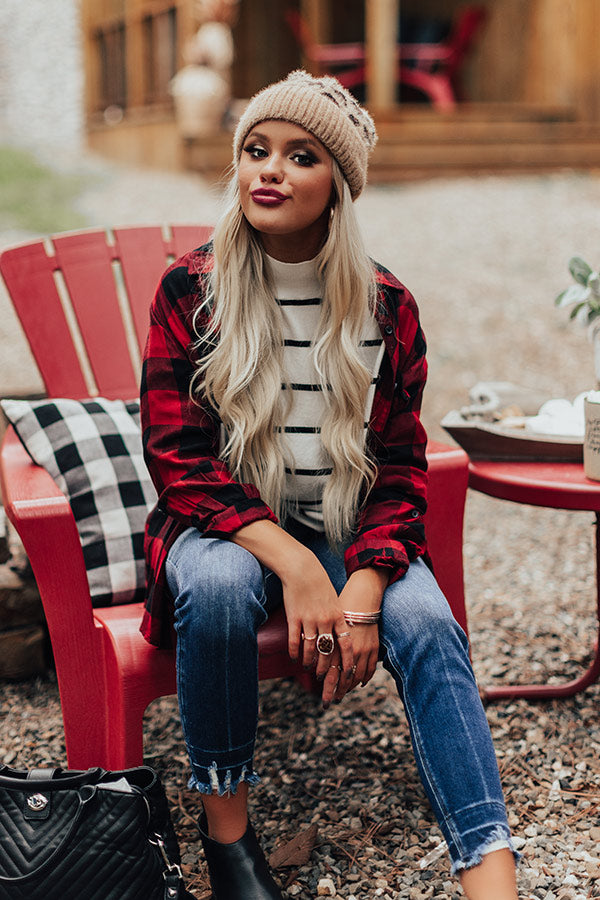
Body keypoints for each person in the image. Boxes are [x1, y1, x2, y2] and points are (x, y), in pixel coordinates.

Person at [140, 70, 519, 900]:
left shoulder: (386, 307)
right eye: (256, 150)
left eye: (300, 156)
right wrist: (301, 570)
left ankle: (489, 867)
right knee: (214, 587)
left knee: (427, 622)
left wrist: (367, 580)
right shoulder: (190, 289)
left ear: (338, 190)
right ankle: (229, 842)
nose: (269, 170)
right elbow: (176, 458)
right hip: (227, 528)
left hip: (346, 521)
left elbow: (398, 469)